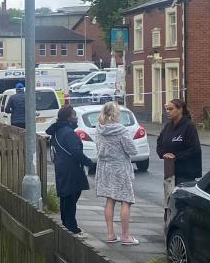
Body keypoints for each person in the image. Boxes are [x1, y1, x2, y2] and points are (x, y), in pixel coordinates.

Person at [95, 101, 140, 245]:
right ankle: (126, 236)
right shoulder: (121, 130)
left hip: (105, 168)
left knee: (110, 199)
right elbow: (132, 150)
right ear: (115, 114)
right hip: (120, 168)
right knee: (126, 200)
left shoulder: (99, 129)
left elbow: (98, 148)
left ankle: (110, 234)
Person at [47, 105, 93, 234]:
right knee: (71, 197)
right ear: (68, 118)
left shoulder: (57, 131)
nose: (76, 118)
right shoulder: (68, 132)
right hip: (71, 169)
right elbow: (75, 151)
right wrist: (90, 163)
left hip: (61, 167)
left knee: (66, 197)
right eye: (74, 115)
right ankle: (72, 227)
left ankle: (66, 223)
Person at [156, 99, 202, 201]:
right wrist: (163, 154)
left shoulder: (189, 127)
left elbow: (195, 150)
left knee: (182, 202)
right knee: (169, 202)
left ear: (180, 109)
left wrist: (176, 156)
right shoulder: (168, 127)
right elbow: (159, 142)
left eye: (171, 109)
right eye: (167, 109)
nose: (168, 111)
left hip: (187, 174)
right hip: (170, 173)